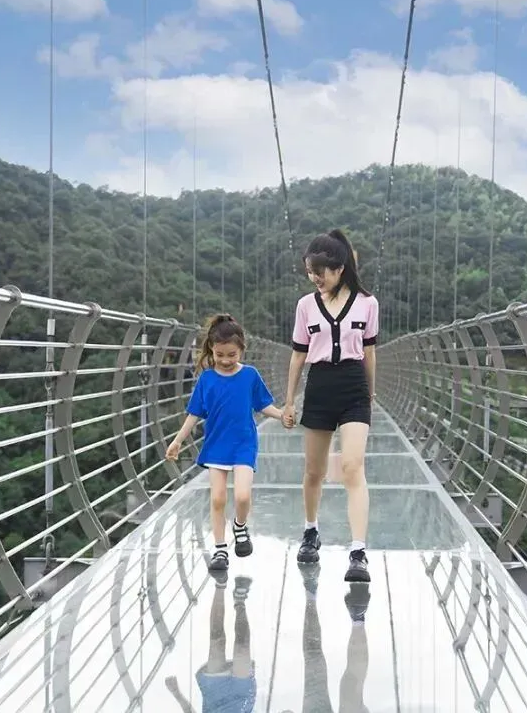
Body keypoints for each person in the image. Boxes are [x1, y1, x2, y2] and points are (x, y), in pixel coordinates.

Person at [281, 229, 377, 583]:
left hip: (353, 386)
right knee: (314, 471)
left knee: (352, 466)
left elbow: (369, 353)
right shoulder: (305, 306)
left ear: (340, 268)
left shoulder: (368, 303)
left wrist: (370, 395)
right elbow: (297, 356)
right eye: (310, 271)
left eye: (320, 271)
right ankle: (311, 531)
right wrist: (289, 401)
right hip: (319, 386)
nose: (315, 278)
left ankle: (358, 552)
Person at [167, 313, 288, 573]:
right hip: (217, 444)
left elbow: (263, 404)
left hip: (244, 443)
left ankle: (240, 526)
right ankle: (220, 549)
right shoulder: (207, 379)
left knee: (243, 495)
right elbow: (194, 414)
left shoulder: (250, 375)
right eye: (219, 354)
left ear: (242, 349)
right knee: (218, 498)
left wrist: (281, 415)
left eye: (231, 355)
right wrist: (177, 441)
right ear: (211, 349)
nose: (225, 360)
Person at [165, 576, 255, 713]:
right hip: (241, 700)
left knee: (217, 641)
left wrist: (177, 693)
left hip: (215, 695)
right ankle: (240, 601)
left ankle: (220, 584)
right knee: (242, 646)